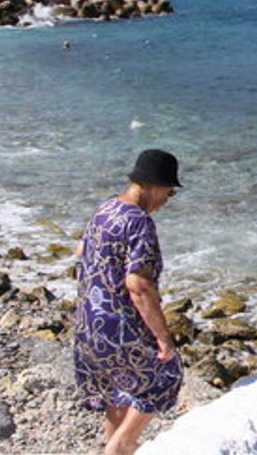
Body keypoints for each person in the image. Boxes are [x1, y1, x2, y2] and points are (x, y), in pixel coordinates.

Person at [74, 149, 185, 455]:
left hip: (87, 328)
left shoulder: (105, 209)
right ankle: (122, 445)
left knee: (117, 393)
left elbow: (82, 255)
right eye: (168, 191)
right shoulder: (139, 222)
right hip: (117, 331)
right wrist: (164, 338)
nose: (167, 200)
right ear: (151, 186)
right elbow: (138, 285)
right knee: (168, 373)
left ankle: (116, 448)